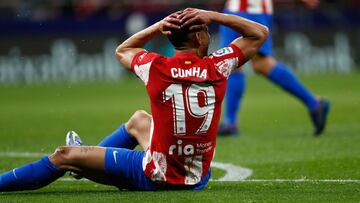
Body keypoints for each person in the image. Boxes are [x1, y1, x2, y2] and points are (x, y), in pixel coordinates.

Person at [0, 8, 268, 192]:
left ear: (170, 36)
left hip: (160, 176)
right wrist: (212, 15)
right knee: (139, 120)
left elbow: (123, 50)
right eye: (207, 30)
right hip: (197, 174)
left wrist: (159, 25)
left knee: (62, 155)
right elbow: (259, 33)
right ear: (199, 37)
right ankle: (85, 161)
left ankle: (75, 164)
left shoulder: (155, 66)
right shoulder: (218, 66)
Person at [218, 0, 330, 136]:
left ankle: (314, 103)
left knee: (260, 63)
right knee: (234, 64)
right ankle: (230, 122)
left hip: (252, 9)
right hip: (237, 8)